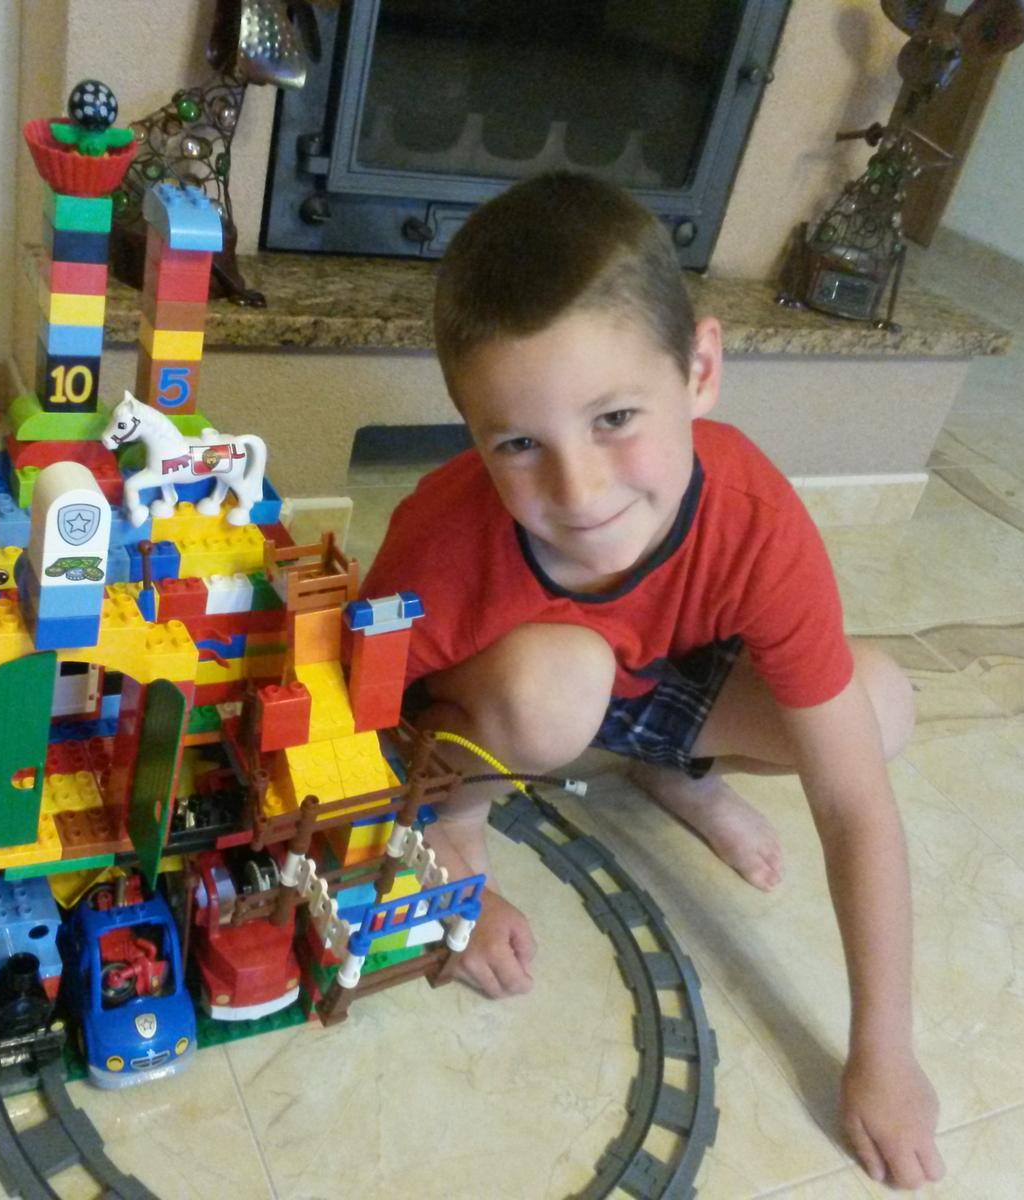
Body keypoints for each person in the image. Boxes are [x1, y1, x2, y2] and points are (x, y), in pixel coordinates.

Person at [360, 172, 944, 1189]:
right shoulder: (440, 542)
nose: (578, 490)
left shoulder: (755, 518)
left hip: (656, 694)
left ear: (701, 370)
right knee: (555, 678)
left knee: (879, 702)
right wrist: (437, 861)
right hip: (520, 706)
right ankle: (473, 822)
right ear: (471, 430)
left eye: (616, 417)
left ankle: (673, 772)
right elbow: (345, 727)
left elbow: (853, 801)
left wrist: (884, 1050)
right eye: (519, 444)